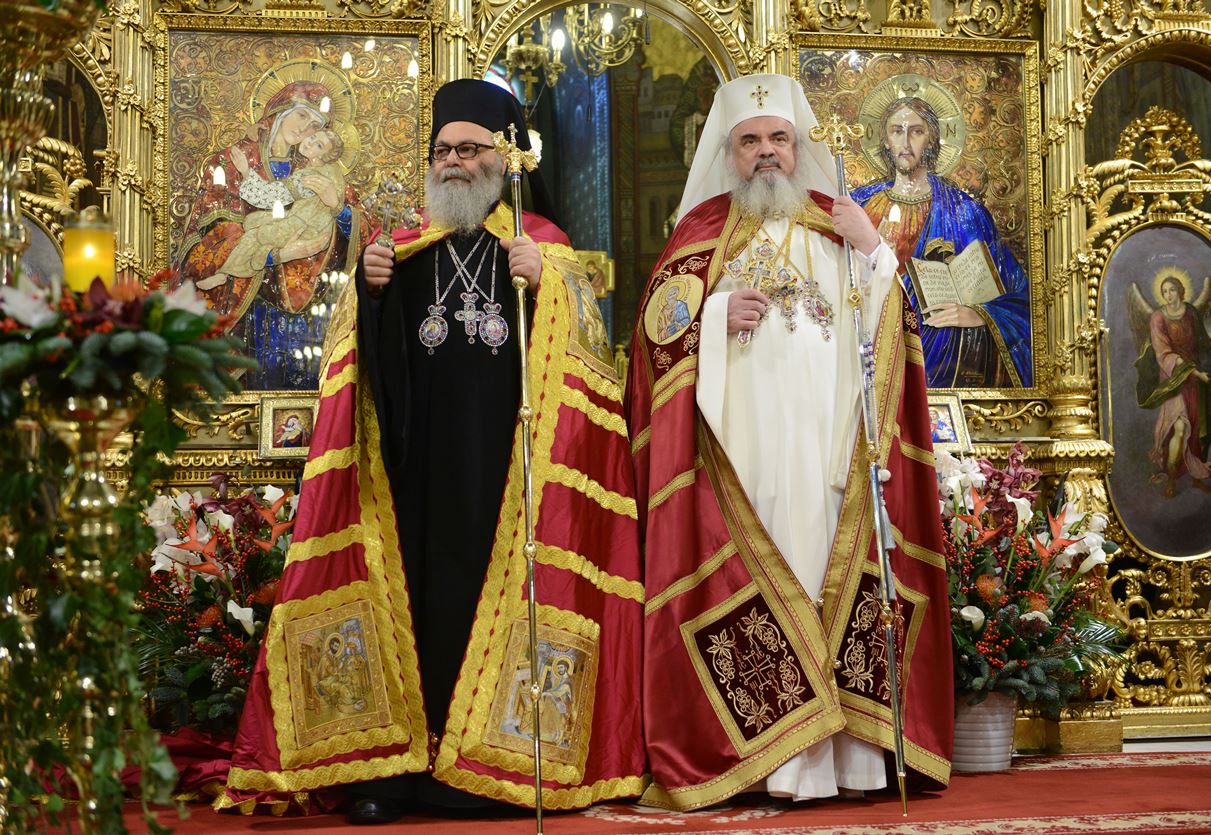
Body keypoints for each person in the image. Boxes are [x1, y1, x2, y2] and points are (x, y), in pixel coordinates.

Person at [220, 79, 646, 823]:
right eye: (443, 150)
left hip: (507, 480)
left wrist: (547, 286)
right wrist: (372, 291)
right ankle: (394, 773)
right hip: (414, 474)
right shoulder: (404, 249)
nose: (453, 161)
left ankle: (494, 767)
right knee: (412, 616)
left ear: (503, 160)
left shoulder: (541, 247)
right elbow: (363, 373)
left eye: (470, 149)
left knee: (484, 609)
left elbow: (591, 361)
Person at [627, 73, 953, 811]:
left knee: (830, 578)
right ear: (728, 152)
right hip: (742, 461)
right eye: (750, 141)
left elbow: (893, 328)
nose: (766, 152)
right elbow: (653, 343)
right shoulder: (699, 234)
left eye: (778, 138)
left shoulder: (838, 224)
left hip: (832, 448)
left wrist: (874, 252)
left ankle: (852, 765)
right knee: (768, 576)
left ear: (798, 146)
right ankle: (770, 767)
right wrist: (712, 318)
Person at [176, 79, 363, 389]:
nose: (305, 129)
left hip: (310, 306)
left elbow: (366, 230)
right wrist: (275, 255)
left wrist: (338, 210)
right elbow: (208, 235)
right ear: (279, 111)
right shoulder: (229, 163)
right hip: (252, 304)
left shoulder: (318, 173)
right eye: (301, 115)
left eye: (315, 126)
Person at [851, 95, 1032, 388]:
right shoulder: (859, 205)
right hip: (870, 350)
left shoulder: (966, 212)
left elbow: (1020, 299)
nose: (905, 141)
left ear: (932, 139)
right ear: (885, 140)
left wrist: (979, 314)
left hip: (944, 363)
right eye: (897, 131)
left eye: (916, 131)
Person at [200, 128, 348, 289]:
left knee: (256, 235)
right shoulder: (330, 172)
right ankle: (226, 273)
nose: (310, 142)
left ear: (322, 156)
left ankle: (224, 274)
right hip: (307, 223)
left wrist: (246, 171)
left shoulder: (310, 177)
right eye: (312, 137)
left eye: (319, 145)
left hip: (305, 228)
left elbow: (272, 196)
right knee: (253, 222)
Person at [1134, 271, 1211, 497]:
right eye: (1164, 292)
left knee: (1196, 430)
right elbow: (1163, 353)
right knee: (1180, 428)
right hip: (1174, 379)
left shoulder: (1191, 312)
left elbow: (1204, 341)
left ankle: (1196, 475)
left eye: (1172, 290)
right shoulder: (1158, 318)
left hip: (1195, 381)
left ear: (1181, 291)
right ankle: (1172, 478)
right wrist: (1197, 373)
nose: (1168, 295)